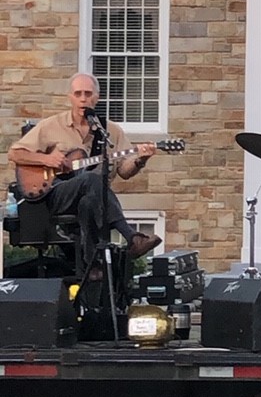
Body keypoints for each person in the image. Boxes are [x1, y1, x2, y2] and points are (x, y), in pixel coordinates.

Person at [8, 72, 163, 269]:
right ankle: (131, 236)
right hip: (54, 194)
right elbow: (15, 153)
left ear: (96, 97)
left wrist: (141, 158)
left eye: (88, 94)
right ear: (70, 97)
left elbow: (124, 171)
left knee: (90, 199)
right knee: (92, 178)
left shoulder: (110, 131)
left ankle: (92, 269)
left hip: (90, 200)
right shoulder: (51, 125)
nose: (83, 99)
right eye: (78, 93)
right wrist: (46, 158)